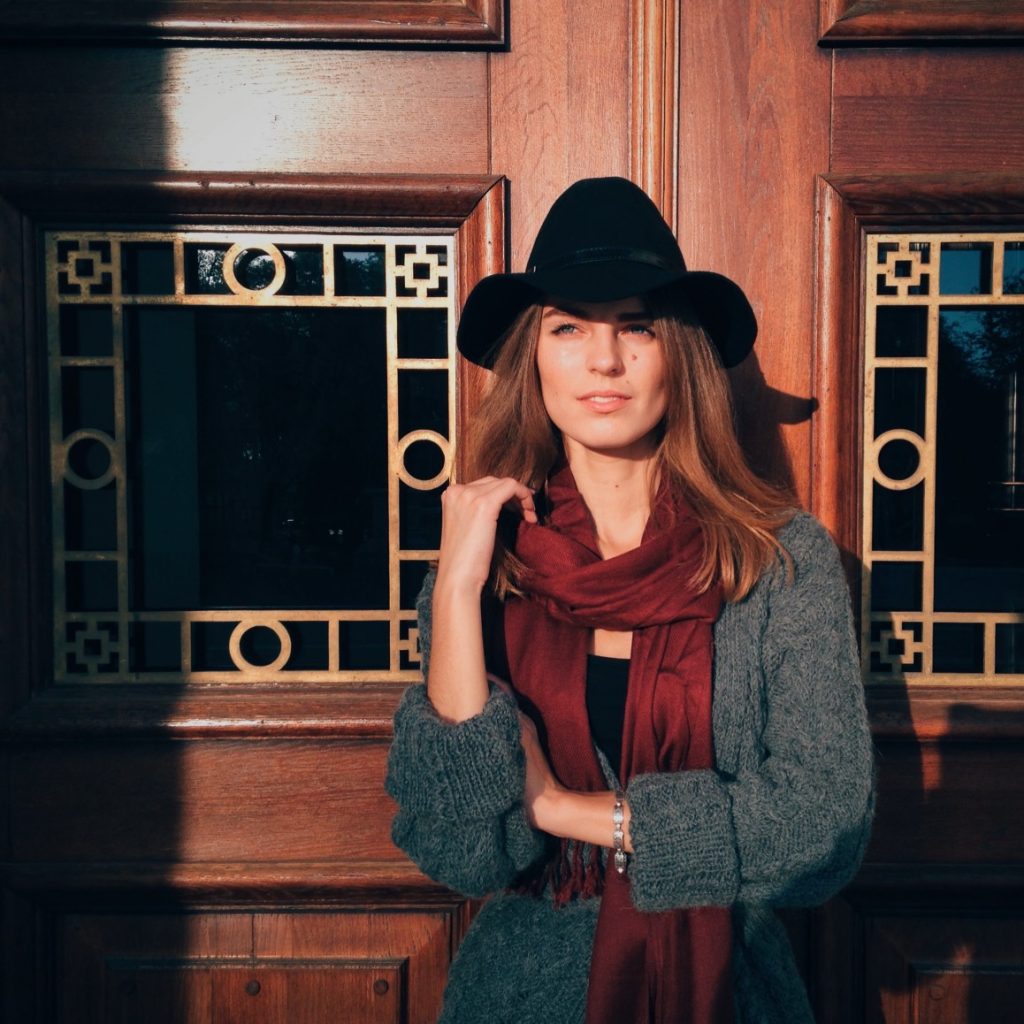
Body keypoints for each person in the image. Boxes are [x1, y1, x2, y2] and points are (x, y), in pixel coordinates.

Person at [386, 177, 875, 1024]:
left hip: (734, 990)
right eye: (568, 327)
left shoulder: (778, 559)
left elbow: (822, 826)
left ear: (678, 352)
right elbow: (461, 847)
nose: (603, 361)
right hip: (517, 996)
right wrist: (460, 588)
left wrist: (568, 811)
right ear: (531, 356)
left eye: (636, 328)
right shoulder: (484, 566)